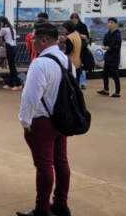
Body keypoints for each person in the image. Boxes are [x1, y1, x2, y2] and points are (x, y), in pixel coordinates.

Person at [17, 23, 75, 216]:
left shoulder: (40, 63)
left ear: (43, 40)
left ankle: (42, 209)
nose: (31, 42)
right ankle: (60, 203)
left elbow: (30, 96)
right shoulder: (66, 61)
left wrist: (25, 122)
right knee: (61, 161)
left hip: (42, 121)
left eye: (33, 39)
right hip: (61, 120)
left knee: (44, 166)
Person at [98, 17, 122, 98]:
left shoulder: (117, 34)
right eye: (108, 22)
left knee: (115, 75)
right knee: (105, 74)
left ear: (116, 24)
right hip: (108, 57)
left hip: (114, 58)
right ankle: (106, 90)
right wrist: (107, 47)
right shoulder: (107, 34)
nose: (109, 24)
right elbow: (104, 43)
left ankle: (117, 92)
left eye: (111, 22)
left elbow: (115, 46)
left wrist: (108, 47)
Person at [0, 17, 21, 90]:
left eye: (1, 22)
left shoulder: (3, 29)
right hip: (14, 47)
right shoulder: (12, 28)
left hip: (9, 47)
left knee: (12, 66)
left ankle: (19, 83)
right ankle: (10, 83)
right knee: (11, 66)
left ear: (3, 22)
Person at [70, 13, 90, 89]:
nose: (74, 19)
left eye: (75, 18)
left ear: (78, 18)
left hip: (81, 48)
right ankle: (74, 81)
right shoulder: (70, 27)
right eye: (72, 18)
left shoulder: (83, 26)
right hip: (73, 49)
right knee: (74, 65)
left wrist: (78, 35)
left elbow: (86, 37)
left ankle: (83, 82)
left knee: (82, 65)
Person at [63, 21, 83, 88]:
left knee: (71, 84)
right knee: (77, 83)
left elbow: (68, 51)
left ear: (68, 28)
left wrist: (61, 52)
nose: (63, 30)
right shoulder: (77, 33)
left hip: (71, 63)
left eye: (64, 28)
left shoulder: (69, 37)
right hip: (78, 61)